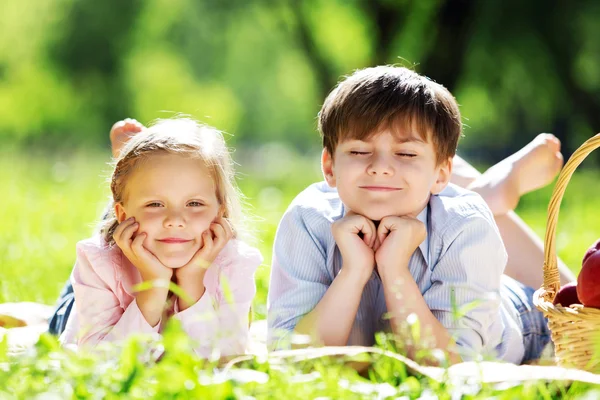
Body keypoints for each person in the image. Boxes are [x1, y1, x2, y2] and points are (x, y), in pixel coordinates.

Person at [267, 65, 570, 365]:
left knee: (576, 303)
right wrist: (353, 271)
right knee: (433, 181)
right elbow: (293, 360)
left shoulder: (465, 224)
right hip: (438, 206)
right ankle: (485, 190)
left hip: (521, 317)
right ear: (329, 167)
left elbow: (451, 366)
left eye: (406, 154)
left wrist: (395, 270)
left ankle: (482, 192)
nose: (380, 166)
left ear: (441, 175)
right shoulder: (308, 219)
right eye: (359, 151)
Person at [58, 118, 263, 358]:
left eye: (194, 203)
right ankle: (131, 176)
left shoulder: (234, 262)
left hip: (147, 231)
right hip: (89, 296)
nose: (175, 219)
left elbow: (226, 358)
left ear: (221, 212)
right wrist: (153, 286)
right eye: (156, 204)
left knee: (149, 211)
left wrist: (192, 281)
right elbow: (98, 362)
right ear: (123, 214)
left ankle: (139, 181)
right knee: (70, 299)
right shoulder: (97, 261)